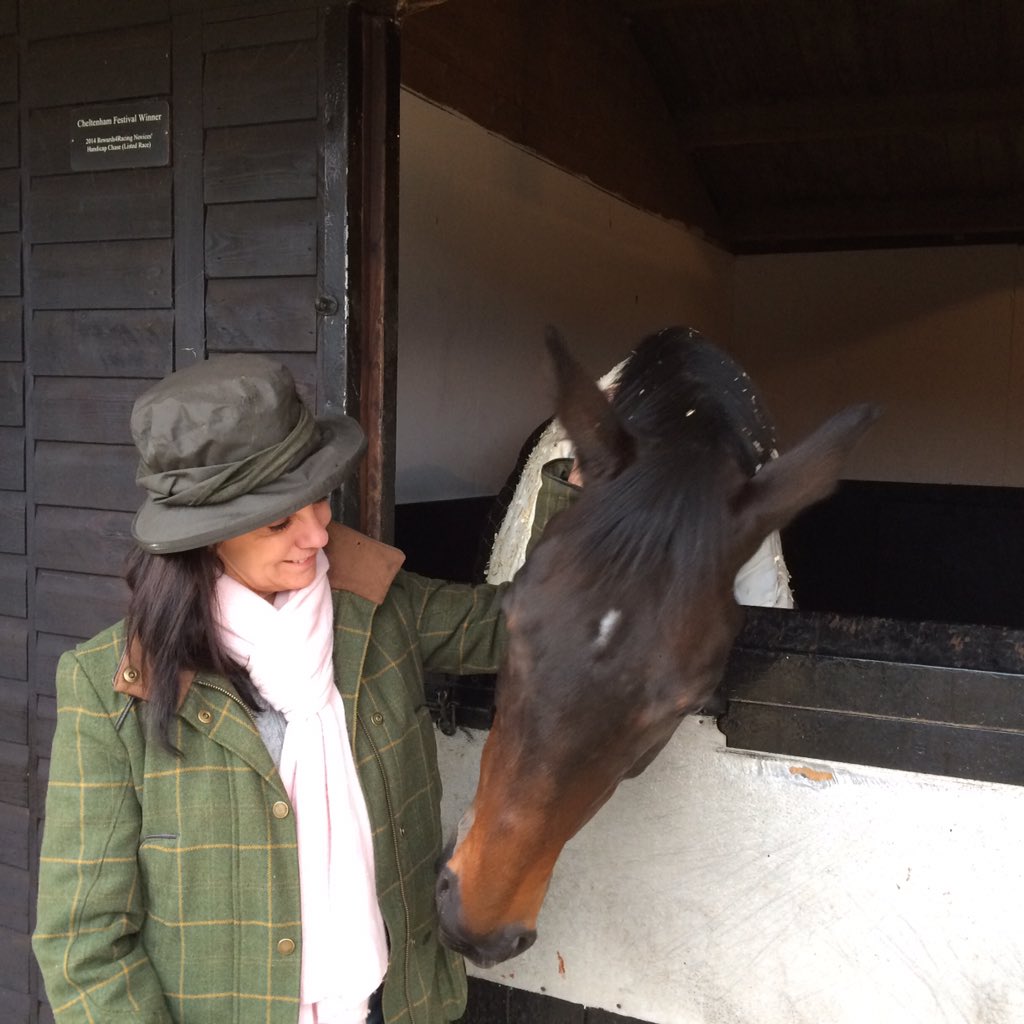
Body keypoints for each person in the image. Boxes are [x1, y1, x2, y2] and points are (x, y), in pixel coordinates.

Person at [33, 354, 525, 1024]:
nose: (318, 534)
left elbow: (522, 627)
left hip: (392, 1003)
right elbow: (82, 944)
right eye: (278, 521)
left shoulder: (378, 611)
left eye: (318, 497)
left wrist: (577, 485)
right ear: (205, 538)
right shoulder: (112, 689)